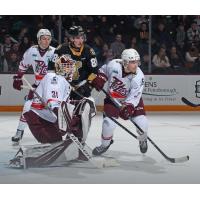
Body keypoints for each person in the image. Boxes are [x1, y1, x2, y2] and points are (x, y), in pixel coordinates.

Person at [90, 48, 148, 155]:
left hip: (130, 100)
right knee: (108, 124)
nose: (136, 65)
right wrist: (101, 79)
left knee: (142, 123)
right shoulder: (114, 64)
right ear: (125, 62)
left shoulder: (139, 76)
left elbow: (135, 97)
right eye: (132, 62)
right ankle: (105, 145)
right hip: (112, 99)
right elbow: (103, 71)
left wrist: (128, 107)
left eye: (137, 61)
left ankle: (142, 139)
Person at [11, 29, 55, 144]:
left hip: (51, 87)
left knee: (55, 109)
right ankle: (19, 131)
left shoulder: (55, 52)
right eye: (43, 38)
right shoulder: (32, 51)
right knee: (27, 106)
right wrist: (18, 78)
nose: (46, 41)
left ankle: (58, 131)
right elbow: (23, 65)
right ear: (38, 39)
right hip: (38, 85)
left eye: (48, 38)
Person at [49, 25, 99, 100]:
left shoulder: (88, 51)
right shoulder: (61, 49)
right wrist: (57, 82)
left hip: (82, 87)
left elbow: (94, 71)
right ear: (71, 38)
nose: (80, 41)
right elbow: (51, 67)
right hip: (63, 86)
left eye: (82, 38)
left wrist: (88, 84)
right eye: (78, 38)